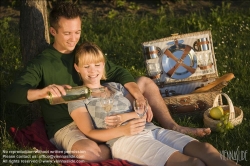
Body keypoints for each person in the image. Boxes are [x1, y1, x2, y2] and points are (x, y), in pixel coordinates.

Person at [7, 2, 209, 162]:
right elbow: (14, 92)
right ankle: (115, 144)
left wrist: (139, 97)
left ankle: (172, 127)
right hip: (68, 124)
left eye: (77, 32)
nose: (73, 38)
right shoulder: (42, 62)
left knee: (145, 83)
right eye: (67, 33)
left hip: (100, 110)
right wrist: (42, 92)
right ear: (53, 32)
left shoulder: (82, 52)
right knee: (90, 154)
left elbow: (119, 72)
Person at [67, 41, 238, 166]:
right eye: (86, 66)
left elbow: (142, 111)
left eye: (97, 65)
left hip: (152, 130)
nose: (92, 71)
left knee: (207, 151)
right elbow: (89, 132)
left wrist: (127, 115)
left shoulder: (115, 86)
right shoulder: (77, 96)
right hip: (124, 140)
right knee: (192, 163)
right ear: (77, 68)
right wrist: (122, 129)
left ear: (103, 65)